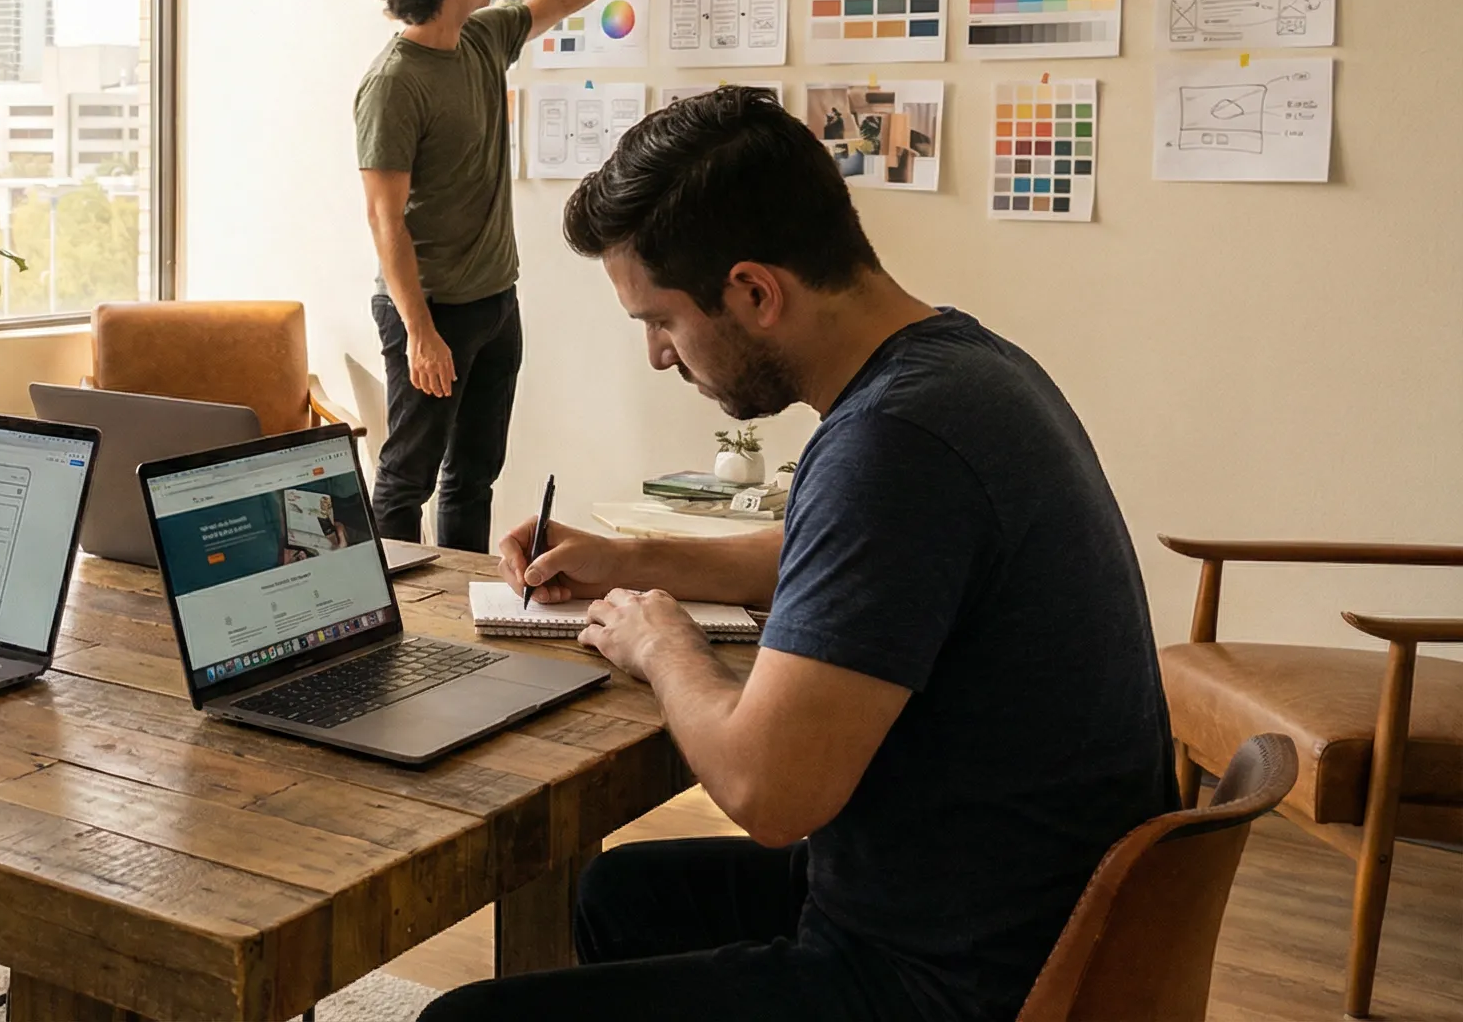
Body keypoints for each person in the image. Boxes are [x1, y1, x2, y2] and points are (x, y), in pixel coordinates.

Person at [425, 87, 1172, 1022]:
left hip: (956, 979)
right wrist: (630, 556)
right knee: (616, 898)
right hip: (1010, 902)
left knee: (462, 1021)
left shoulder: (891, 443)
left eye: (659, 321)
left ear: (752, 292)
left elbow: (767, 792)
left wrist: (665, 647)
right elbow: (833, 556)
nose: (660, 356)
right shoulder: (963, 371)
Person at [355, 0, 702, 548]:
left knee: (474, 476)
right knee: (407, 479)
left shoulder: (482, 39)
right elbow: (384, 221)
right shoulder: (394, 84)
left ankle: (458, 607)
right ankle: (397, 618)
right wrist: (420, 332)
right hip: (430, 311)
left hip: (493, 302)